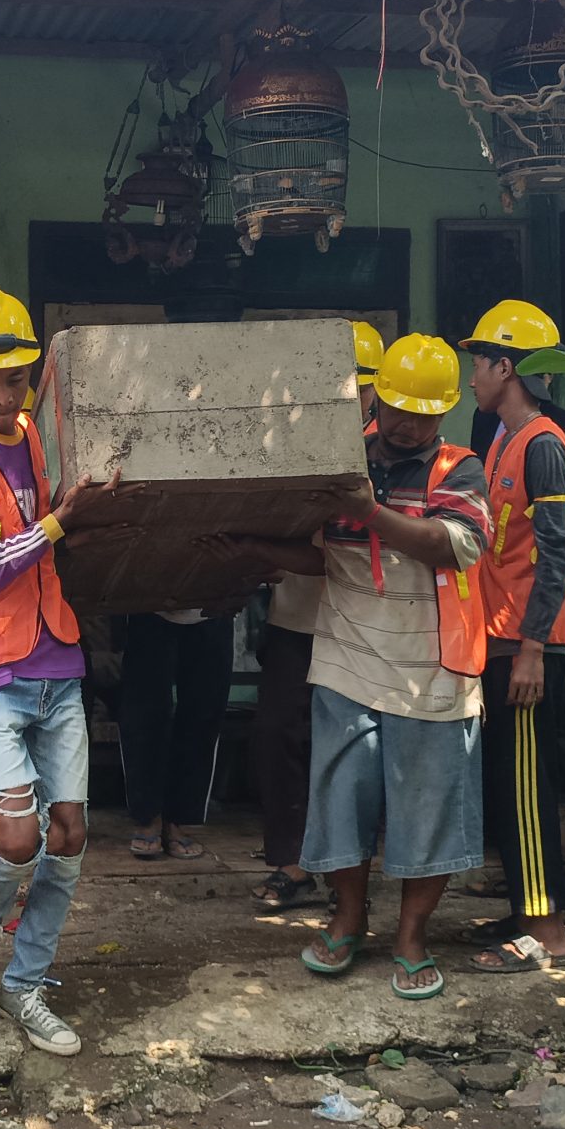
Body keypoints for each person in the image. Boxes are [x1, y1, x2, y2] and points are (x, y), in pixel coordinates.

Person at [223, 336, 490, 1000]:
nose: (404, 424)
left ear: (444, 413)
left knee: (426, 810)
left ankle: (411, 936)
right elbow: (326, 552)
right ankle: (347, 919)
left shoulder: (460, 471)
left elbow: (452, 549)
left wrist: (367, 508)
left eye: (421, 414)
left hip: (432, 667)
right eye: (396, 408)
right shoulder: (342, 461)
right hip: (344, 659)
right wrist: (255, 545)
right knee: (341, 799)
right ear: (377, 397)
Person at [0, 290, 134, 1057]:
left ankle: (26, 984)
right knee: (17, 832)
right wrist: (59, 521)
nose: (4, 395)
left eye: (15, 378)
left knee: (70, 832)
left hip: (55, 660)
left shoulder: (37, 442)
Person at [459, 302, 565, 971]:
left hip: (529, 648)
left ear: (506, 367)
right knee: (509, 787)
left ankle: (549, 932)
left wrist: (533, 646)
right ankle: (524, 912)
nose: (471, 378)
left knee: (529, 789)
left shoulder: (541, 445)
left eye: (479, 363)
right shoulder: (504, 440)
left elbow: (559, 555)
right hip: (502, 641)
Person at [249, 316, 376, 909]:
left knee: (345, 750)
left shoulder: (381, 460)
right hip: (292, 621)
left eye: (362, 389)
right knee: (279, 739)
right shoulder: (294, 444)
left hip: (358, 629)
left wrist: (255, 548)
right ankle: (292, 865)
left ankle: (347, 872)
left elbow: (334, 556)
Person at [117, 606, 235, 860]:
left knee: (204, 711)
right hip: (151, 602)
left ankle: (179, 819)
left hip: (214, 604)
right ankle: (148, 816)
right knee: (145, 712)